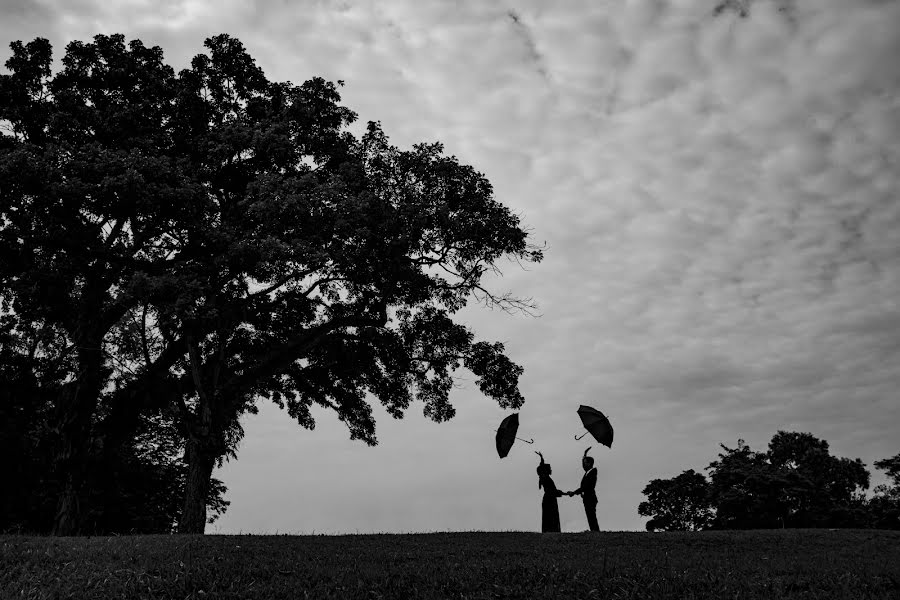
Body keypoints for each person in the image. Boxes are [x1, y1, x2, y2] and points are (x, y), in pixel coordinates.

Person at [566, 447, 599, 531]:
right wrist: (584, 455)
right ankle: (594, 531)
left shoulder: (592, 473)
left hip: (590, 498)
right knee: (590, 516)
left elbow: (586, 487)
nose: (583, 465)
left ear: (589, 463)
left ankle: (595, 531)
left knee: (591, 516)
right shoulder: (588, 472)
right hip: (588, 498)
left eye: (585, 463)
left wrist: (574, 492)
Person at [535, 451, 564, 533]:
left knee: (550, 516)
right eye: (549, 468)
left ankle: (550, 531)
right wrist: (562, 493)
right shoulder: (546, 478)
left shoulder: (545, 478)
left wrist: (541, 458)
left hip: (549, 498)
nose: (551, 469)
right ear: (546, 470)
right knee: (551, 516)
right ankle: (551, 531)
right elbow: (552, 491)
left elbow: (541, 467)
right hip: (549, 499)